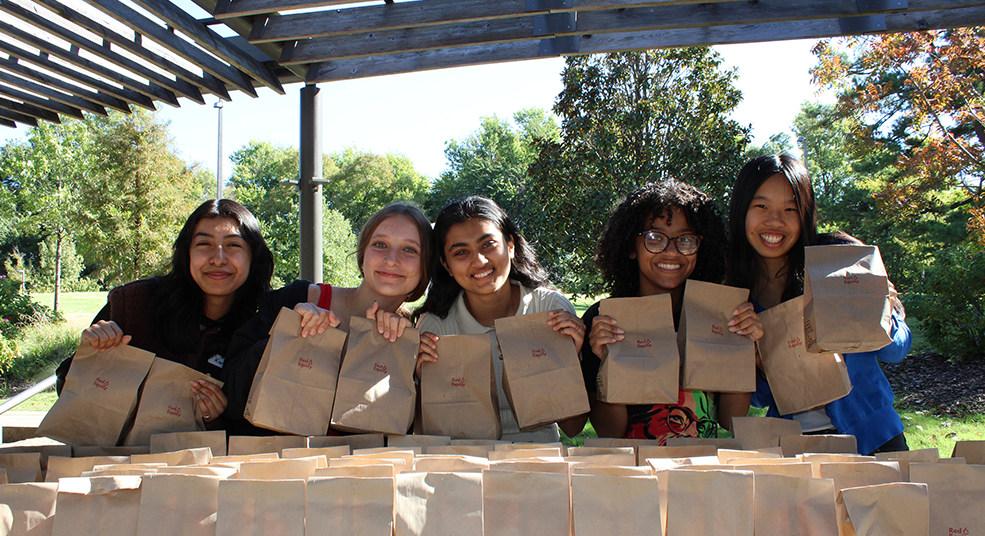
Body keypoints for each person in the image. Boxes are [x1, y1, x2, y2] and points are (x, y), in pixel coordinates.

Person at [728, 154, 911, 455]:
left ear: (806, 214)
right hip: (793, 448)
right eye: (761, 206)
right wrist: (757, 360)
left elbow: (896, 350)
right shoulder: (737, 294)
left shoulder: (838, 261)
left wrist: (882, 310)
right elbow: (760, 398)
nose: (775, 221)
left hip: (874, 440)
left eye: (791, 208)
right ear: (741, 211)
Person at [56, 199, 274, 428]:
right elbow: (66, 390)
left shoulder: (266, 324)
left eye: (233, 245)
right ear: (186, 252)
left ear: (254, 255)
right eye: (203, 244)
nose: (218, 258)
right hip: (120, 459)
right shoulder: (133, 303)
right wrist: (91, 354)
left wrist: (216, 418)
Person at [222, 202, 434, 435]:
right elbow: (228, 393)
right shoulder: (298, 299)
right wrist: (288, 335)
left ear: (427, 267)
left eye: (410, 249)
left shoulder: (411, 340)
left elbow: (404, 433)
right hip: (271, 465)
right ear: (363, 256)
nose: (392, 259)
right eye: (380, 244)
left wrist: (417, 375)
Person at [580, 180, 761, 443]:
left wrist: (743, 350)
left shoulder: (717, 315)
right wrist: (607, 362)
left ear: (702, 247)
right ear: (631, 247)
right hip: (633, 475)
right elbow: (609, 432)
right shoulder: (604, 319)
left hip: (699, 472)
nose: (672, 251)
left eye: (686, 240)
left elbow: (731, 419)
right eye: (655, 238)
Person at [415, 196, 587, 442]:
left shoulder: (550, 310)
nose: (480, 261)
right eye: (461, 252)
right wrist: (425, 382)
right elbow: (428, 436)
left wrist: (570, 362)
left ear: (511, 245)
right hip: (466, 464)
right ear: (446, 265)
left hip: (541, 465)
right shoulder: (435, 328)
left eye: (488, 244)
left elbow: (574, 427)